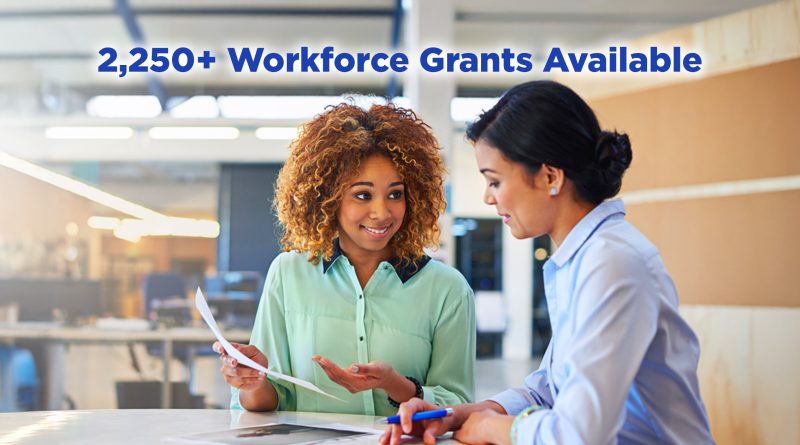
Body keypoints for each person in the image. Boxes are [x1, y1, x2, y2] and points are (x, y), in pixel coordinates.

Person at [383, 81, 714, 444]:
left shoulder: (613, 262)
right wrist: (462, 414)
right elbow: (548, 389)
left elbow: (578, 434)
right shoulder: (582, 258)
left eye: (494, 181)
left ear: (550, 177)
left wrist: (493, 427)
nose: (488, 198)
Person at [214, 102, 475, 416]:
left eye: (395, 194)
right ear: (329, 198)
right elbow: (270, 403)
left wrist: (397, 386)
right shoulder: (288, 274)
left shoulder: (448, 289)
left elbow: (457, 404)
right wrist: (253, 382)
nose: (381, 212)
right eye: (363, 195)